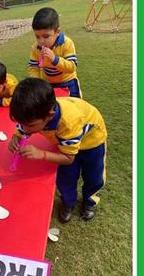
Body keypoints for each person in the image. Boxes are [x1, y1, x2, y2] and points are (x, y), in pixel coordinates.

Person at [9, 78, 107, 223]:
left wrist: (41, 154)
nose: (25, 129)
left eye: (30, 125)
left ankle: (90, 201)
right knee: (66, 176)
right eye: (21, 123)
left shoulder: (68, 121)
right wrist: (15, 137)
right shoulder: (33, 116)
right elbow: (22, 128)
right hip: (66, 142)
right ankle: (68, 202)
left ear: (50, 116)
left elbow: (68, 158)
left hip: (92, 142)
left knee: (93, 176)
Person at [28, 7, 81, 98]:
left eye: (46, 36)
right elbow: (33, 67)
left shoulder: (66, 43)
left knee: (73, 105)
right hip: (48, 84)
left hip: (68, 82)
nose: (41, 41)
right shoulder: (36, 47)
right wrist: (37, 81)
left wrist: (55, 60)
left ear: (57, 32)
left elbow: (72, 67)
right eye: (37, 37)